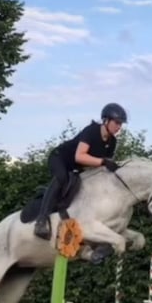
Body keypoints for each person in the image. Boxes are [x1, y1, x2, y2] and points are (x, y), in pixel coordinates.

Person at [33, 102, 128, 240]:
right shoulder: (91, 131)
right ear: (106, 120)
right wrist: (103, 161)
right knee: (62, 178)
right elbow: (80, 156)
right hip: (60, 158)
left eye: (121, 124)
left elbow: (103, 166)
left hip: (76, 167)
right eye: (117, 123)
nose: (119, 127)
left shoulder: (112, 142)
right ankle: (41, 220)